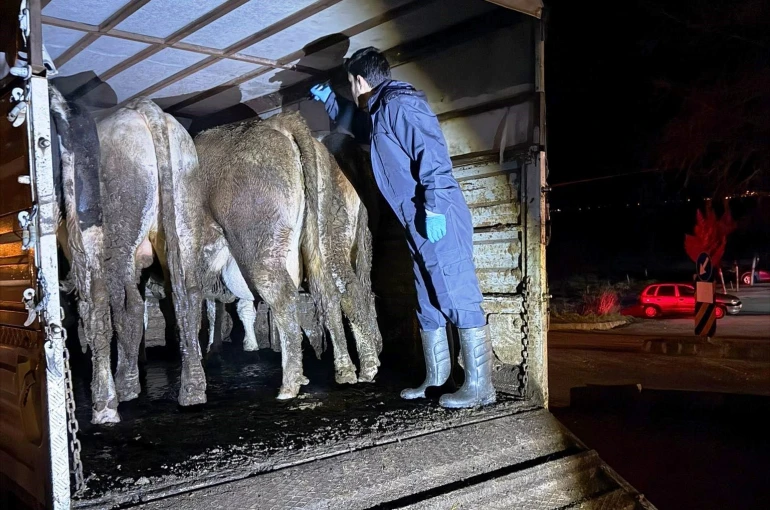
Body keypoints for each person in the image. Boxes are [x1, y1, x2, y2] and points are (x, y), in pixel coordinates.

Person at [310, 47, 495, 408]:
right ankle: (437, 380)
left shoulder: (401, 105)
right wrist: (330, 100)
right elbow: (360, 127)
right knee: (427, 299)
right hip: (416, 219)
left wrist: (435, 208)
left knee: (455, 290)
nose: (351, 90)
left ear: (359, 81)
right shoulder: (380, 110)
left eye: (349, 84)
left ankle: (481, 386)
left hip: (435, 213)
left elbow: (433, 156)